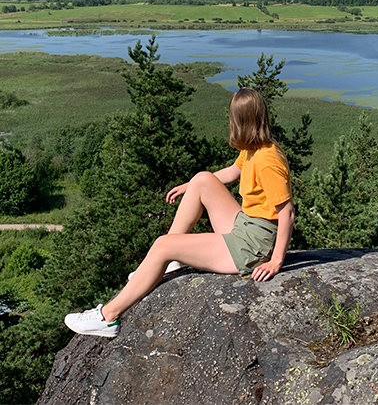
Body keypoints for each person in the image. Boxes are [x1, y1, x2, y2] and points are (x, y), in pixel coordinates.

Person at [64, 87, 295, 337]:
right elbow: (232, 171)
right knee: (203, 180)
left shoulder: (268, 161)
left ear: (239, 120)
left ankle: (108, 317)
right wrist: (190, 186)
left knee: (162, 244)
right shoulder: (254, 148)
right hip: (247, 226)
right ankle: (169, 262)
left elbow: (287, 213)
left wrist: (276, 261)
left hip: (253, 245)